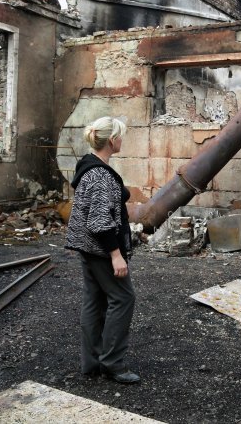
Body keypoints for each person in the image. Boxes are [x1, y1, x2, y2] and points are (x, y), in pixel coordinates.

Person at [66, 116, 140, 383]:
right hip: (100, 249)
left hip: (88, 248)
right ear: (111, 140)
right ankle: (113, 363)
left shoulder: (90, 166)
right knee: (123, 298)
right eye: (120, 136)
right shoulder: (99, 175)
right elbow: (99, 221)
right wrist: (116, 255)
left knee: (94, 301)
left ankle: (92, 363)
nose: (122, 140)